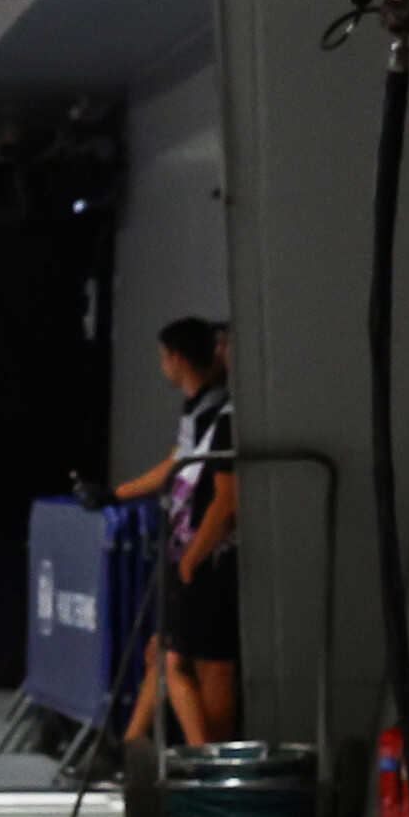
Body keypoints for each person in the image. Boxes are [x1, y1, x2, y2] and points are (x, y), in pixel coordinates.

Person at [114, 315, 238, 746]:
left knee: (190, 665)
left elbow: (226, 502)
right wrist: (118, 494)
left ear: (178, 358)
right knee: (163, 656)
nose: (221, 354)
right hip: (187, 553)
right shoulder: (200, 414)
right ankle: (135, 748)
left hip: (205, 558)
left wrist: (191, 558)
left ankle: (206, 761)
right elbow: (179, 462)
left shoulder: (226, 417)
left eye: (227, 346)